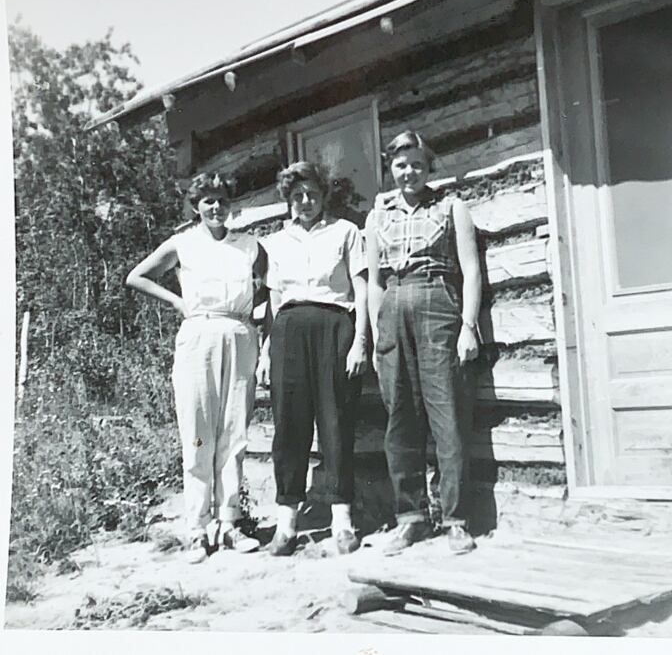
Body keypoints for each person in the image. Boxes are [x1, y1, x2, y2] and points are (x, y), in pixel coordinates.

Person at [126, 172, 264, 564]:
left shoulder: (249, 245)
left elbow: (269, 286)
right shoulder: (182, 244)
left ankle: (230, 523)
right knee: (199, 434)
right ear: (195, 207)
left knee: (234, 432)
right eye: (207, 201)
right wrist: (176, 302)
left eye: (220, 199)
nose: (215, 207)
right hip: (198, 334)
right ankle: (196, 528)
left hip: (239, 332)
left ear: (230, 203)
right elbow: (136, 277)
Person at [365, 130, 481, 555]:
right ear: (390, 169)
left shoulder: (452, 207)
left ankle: (455, 519)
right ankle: (411, 517)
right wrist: (378, 334)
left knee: (446, 410)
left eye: (416, 164)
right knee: (400, 413)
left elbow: (470, 270)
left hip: (438, 301)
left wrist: (468, 325)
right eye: (400, 165)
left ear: (427, 165)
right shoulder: (377, 217)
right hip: (393, 304)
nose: (408, 172)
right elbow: (375, 282)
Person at [258, 161, 368, 556]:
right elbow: (272, 302)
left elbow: (362, 289)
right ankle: (287, 524)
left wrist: (359, 341)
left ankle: (342, 521)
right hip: (288, 331)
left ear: (324, 196)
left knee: (336, 421)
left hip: (335, 326)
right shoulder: (274, 244)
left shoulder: (346, 232)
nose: (306, 202)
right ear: (288, 199)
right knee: (289, 427)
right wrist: (267, 352)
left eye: (313, 195)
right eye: (298, 195)